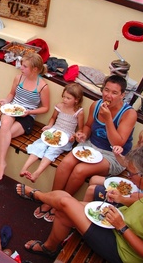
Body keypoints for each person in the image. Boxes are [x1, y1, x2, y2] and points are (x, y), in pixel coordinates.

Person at [17, 146, 143, 263]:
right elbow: (141, 202)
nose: (129, 177)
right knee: (63, 210)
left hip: (121, 249)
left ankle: (38, 195)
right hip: (116, 222)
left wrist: (122, 227)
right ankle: (49, 248)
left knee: (66, 202)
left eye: (132, 174)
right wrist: (121, 199)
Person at [35, 75, 137, 222]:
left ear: (122, 95)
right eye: (106, 90)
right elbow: (88, 126)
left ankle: (61, 204)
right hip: (90, 145)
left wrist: (108, 119)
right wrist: (83, 134)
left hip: (114, 155)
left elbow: (118, 143)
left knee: (80, 170)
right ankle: (51, 199)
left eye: (114, 93)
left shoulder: (129, 113)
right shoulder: (96, 105)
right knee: (65, 164)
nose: (108, 95)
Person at [0, 52, 50, 182]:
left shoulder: (42, 86)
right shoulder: (18, 78)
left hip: (27, 116)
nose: (21, 68)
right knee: (6, 122)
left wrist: (30, 112)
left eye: (24, 66)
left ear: (34, 69)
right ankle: (1, 164)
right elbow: (11, 94)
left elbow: (45, 107)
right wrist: (6, 101)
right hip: (12, 109)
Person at [20, 83, 84, 184]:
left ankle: (37, 173)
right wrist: (49, 126)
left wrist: (74, 136)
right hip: (54, 130)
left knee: (52, 150)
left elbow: (80, 129)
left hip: (66, 136)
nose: (64, 100)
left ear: (76, 99)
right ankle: (24, 168)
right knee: (40, 145)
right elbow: (53, 118)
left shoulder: (79, 112)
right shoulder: (59, 106)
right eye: (64, 97)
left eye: (68, 98)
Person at [83, 125, 143, 204]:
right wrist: (117, 154)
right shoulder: (139, 156)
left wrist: (123, 198)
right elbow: (125, 163)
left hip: (137, 198)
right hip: (130, 185)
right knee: (94, 179)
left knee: (91, 190)